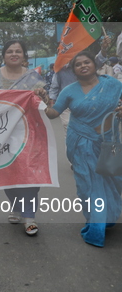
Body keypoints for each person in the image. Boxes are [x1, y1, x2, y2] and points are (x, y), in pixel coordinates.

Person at [39, 51, 122, 247]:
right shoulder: (69, 91)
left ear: (94, 64)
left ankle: (105, 217)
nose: (83, 66)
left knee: (111, 181)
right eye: (78, 64)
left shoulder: (113, 85)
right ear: (73, 70)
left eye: (87, 62)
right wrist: (42, 103)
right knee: (89, 186)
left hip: (107, 142)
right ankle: (96, 228)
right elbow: (53, 113)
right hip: (80, 143)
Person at [0, 39, 47, 236]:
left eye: (18, 51)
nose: (14, 54)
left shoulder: (34, 78)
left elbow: (45, 103)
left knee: (30, 174)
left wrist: (40, 95)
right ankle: (15, 206)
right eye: (10, 51)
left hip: (30, 132)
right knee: (8, 173)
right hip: (3, 134)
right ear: (3, 55)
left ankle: (29, 217)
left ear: (23, 55)